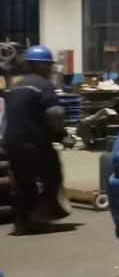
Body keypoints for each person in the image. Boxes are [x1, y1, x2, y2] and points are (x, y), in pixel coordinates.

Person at [2, 46, 71, 235]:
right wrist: (62, 134)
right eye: (49, 66)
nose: (50, 70)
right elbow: (55, 114)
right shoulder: (43, 85)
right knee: (52, 174)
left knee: (23, 182)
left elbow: (8, 117)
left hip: (11, 143)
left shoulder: (15, 85)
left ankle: (22, 222)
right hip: (33, 143)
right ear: (42, 66)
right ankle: (44, 215)